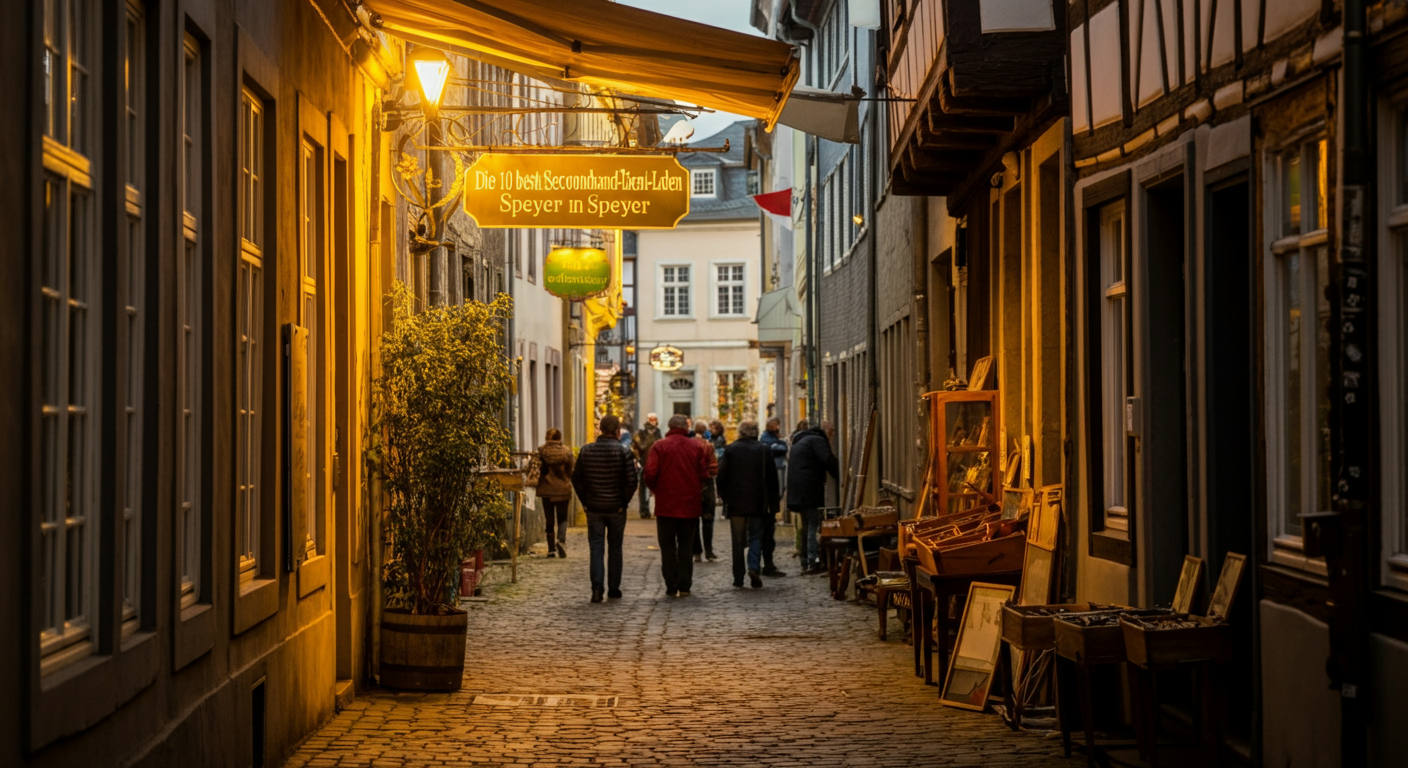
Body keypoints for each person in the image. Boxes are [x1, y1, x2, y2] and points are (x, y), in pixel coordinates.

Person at [570, 415, 638, 603]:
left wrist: (586, 501)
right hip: (616, 509)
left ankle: (597, 590)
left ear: (600, 429)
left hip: (594, 508)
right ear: (617, 431)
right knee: (615, 547)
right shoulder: (624, 451)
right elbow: (632, 481)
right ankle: (614, 588)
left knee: (596, 548)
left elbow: (576, 479)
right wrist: (623, 502)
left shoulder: (586, 451)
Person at [644, 414, 713, 597]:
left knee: (667, 547)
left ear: (669, 427)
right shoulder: (695, 446)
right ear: (686, 428)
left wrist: (657, 489)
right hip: (689, 505)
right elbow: (704, 473)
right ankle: (684, 586)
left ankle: (671, 584)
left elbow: (650, 473)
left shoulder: (659, 446)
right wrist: (696, 487)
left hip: (666, 505)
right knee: (686, 547)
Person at [716, 420, 780, 589]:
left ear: (740, 432)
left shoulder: (731, 449)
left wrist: (724, 497)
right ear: (756, 432)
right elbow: (772, 479)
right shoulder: (764, 450)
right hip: (758, 502)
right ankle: (753, 568)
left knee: (737, 541)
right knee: (755, 537)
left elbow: (721, 476)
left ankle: (738, 577)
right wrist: (773, 504)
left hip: (736, 504)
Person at [788, 420, 839, 574]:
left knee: (806, 525)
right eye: (831, 432)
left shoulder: (803, 440)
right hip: (809, 489)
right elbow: (828, 459)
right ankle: (813, 561)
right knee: (813, 524)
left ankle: (805, 561)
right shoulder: (817, 440)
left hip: (798, 490)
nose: (832, 436)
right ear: (826, 431)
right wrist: (840, 475)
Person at [533, 428, 574, 559]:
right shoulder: (567, 452)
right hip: (563, 489)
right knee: (563, 518)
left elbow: (535, 467)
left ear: (547, 438)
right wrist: (566, 478)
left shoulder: (542, 451)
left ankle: (551, 549)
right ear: (559, 438)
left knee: (549, 519)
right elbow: (571, 469)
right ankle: (561, 540)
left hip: (547, 489)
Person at [757, 418, 789, 576]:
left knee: (760, 533)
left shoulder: (764, 445)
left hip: (761, 500)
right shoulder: (766, 444)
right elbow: (782, 448)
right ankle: (763, 565)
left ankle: (755, 566)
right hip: (766, 499)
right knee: (764, 532)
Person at [690, 420, 720, 562]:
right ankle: (709, 551)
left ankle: (696, 551)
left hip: (692, 485)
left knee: (694, 520)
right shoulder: (708, 446)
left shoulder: (688, 445)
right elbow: (714, 467)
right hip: (706, 485)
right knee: (708, 519)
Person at [631, 413, 662, 518]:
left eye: (654, 419)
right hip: (644, 462)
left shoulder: (657, 432)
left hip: (655, 462)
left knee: (654, 487)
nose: (653, 422)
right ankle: (644, 509)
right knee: (643, 487)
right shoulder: (642, 433)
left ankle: (653, 508)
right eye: (651, 419)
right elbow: (640, 447)